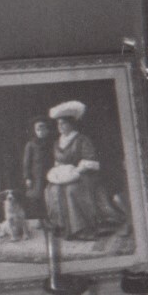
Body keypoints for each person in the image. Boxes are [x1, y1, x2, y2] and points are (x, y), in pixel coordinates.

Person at [38, 99, 125, 242]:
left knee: (71, 190)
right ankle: (62, 226)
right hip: (65, 175)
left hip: (84, 174)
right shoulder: (57, 142)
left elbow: (89, 159)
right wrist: (58, 171)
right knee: (52, 189)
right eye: (58, 123)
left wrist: (77, 171)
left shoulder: (82, 140)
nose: (60, 126)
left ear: (71, 124)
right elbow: (58, 161)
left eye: (63, 123)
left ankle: (82, 228)